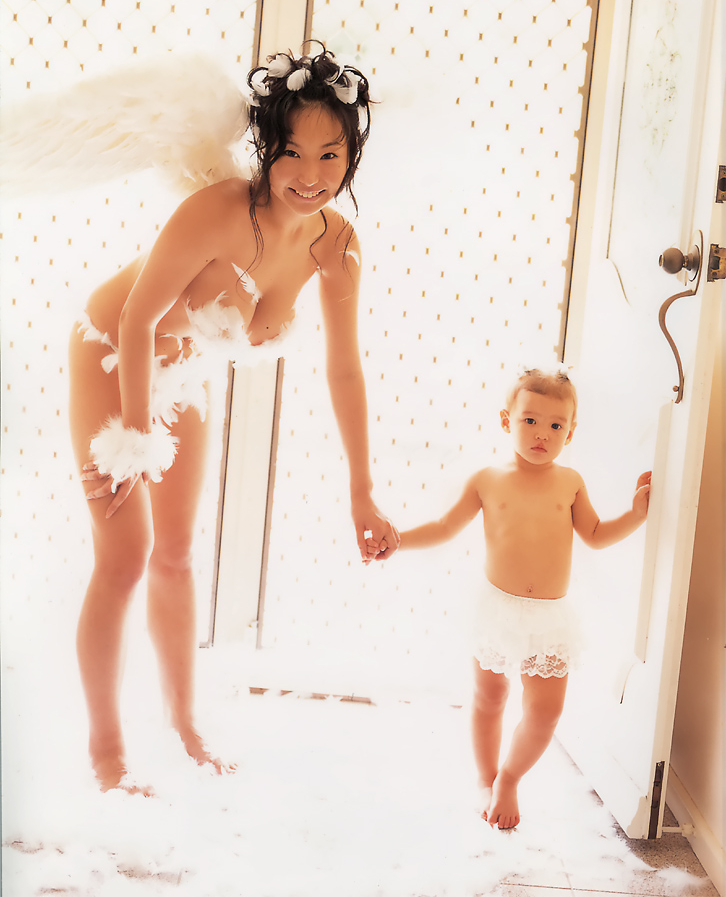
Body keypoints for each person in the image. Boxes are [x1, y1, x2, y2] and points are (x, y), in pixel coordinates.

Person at [66, 45, 399, 793]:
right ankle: (106, 753)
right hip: (112, 350)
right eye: (291, 153)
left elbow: (345, 370)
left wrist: (362, 490)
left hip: (181, 364)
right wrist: (133, 443)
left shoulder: (337, 245)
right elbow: (136, 320)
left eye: (330, 154)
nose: (310, 174)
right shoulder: (218, 210)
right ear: (265, 148)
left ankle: (185, 726)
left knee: (176, 554)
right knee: (125, 553)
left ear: (352, 155)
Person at [371, 368, 650, 829]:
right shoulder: (488, 479)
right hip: (496, 609)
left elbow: (597, 535)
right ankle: (486, 779)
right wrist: (398, 540)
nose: (543, 434)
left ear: (570, 432)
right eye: (530, 421)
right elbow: (444, 526)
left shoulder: (570, 482)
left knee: (546, 712)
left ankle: (510, 777)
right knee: (490, 695)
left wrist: (636, 514)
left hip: (550, 617)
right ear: (507, 421)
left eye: (556, 425)